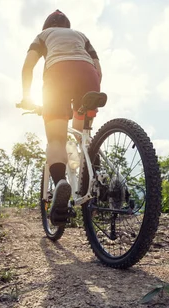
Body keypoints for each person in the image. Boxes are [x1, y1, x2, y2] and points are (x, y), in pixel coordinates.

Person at [19, 9, 102, 225]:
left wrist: (27, 97)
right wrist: (91, 91)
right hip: (88, 75)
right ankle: (97, 181)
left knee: (56, 139)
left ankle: (60, 183)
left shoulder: (43, 36)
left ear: (47, 26)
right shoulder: (81, 35)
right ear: (68, 25)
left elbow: (28, 66)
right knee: (83, 134)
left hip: (58, 75)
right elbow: (98, 68)